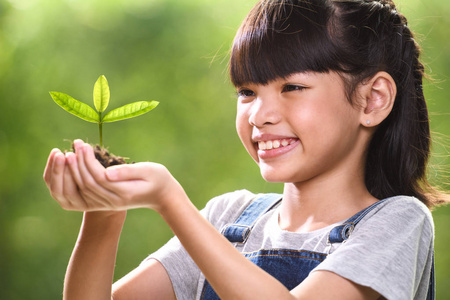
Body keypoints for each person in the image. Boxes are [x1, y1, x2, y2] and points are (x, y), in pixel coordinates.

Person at [43, 0, 449, 299]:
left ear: (373, 98)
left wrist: (169, 200)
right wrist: (103, 215)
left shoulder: (398, 223)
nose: (259, 114)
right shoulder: (228, 218)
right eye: (247, 91)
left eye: (292, 87)